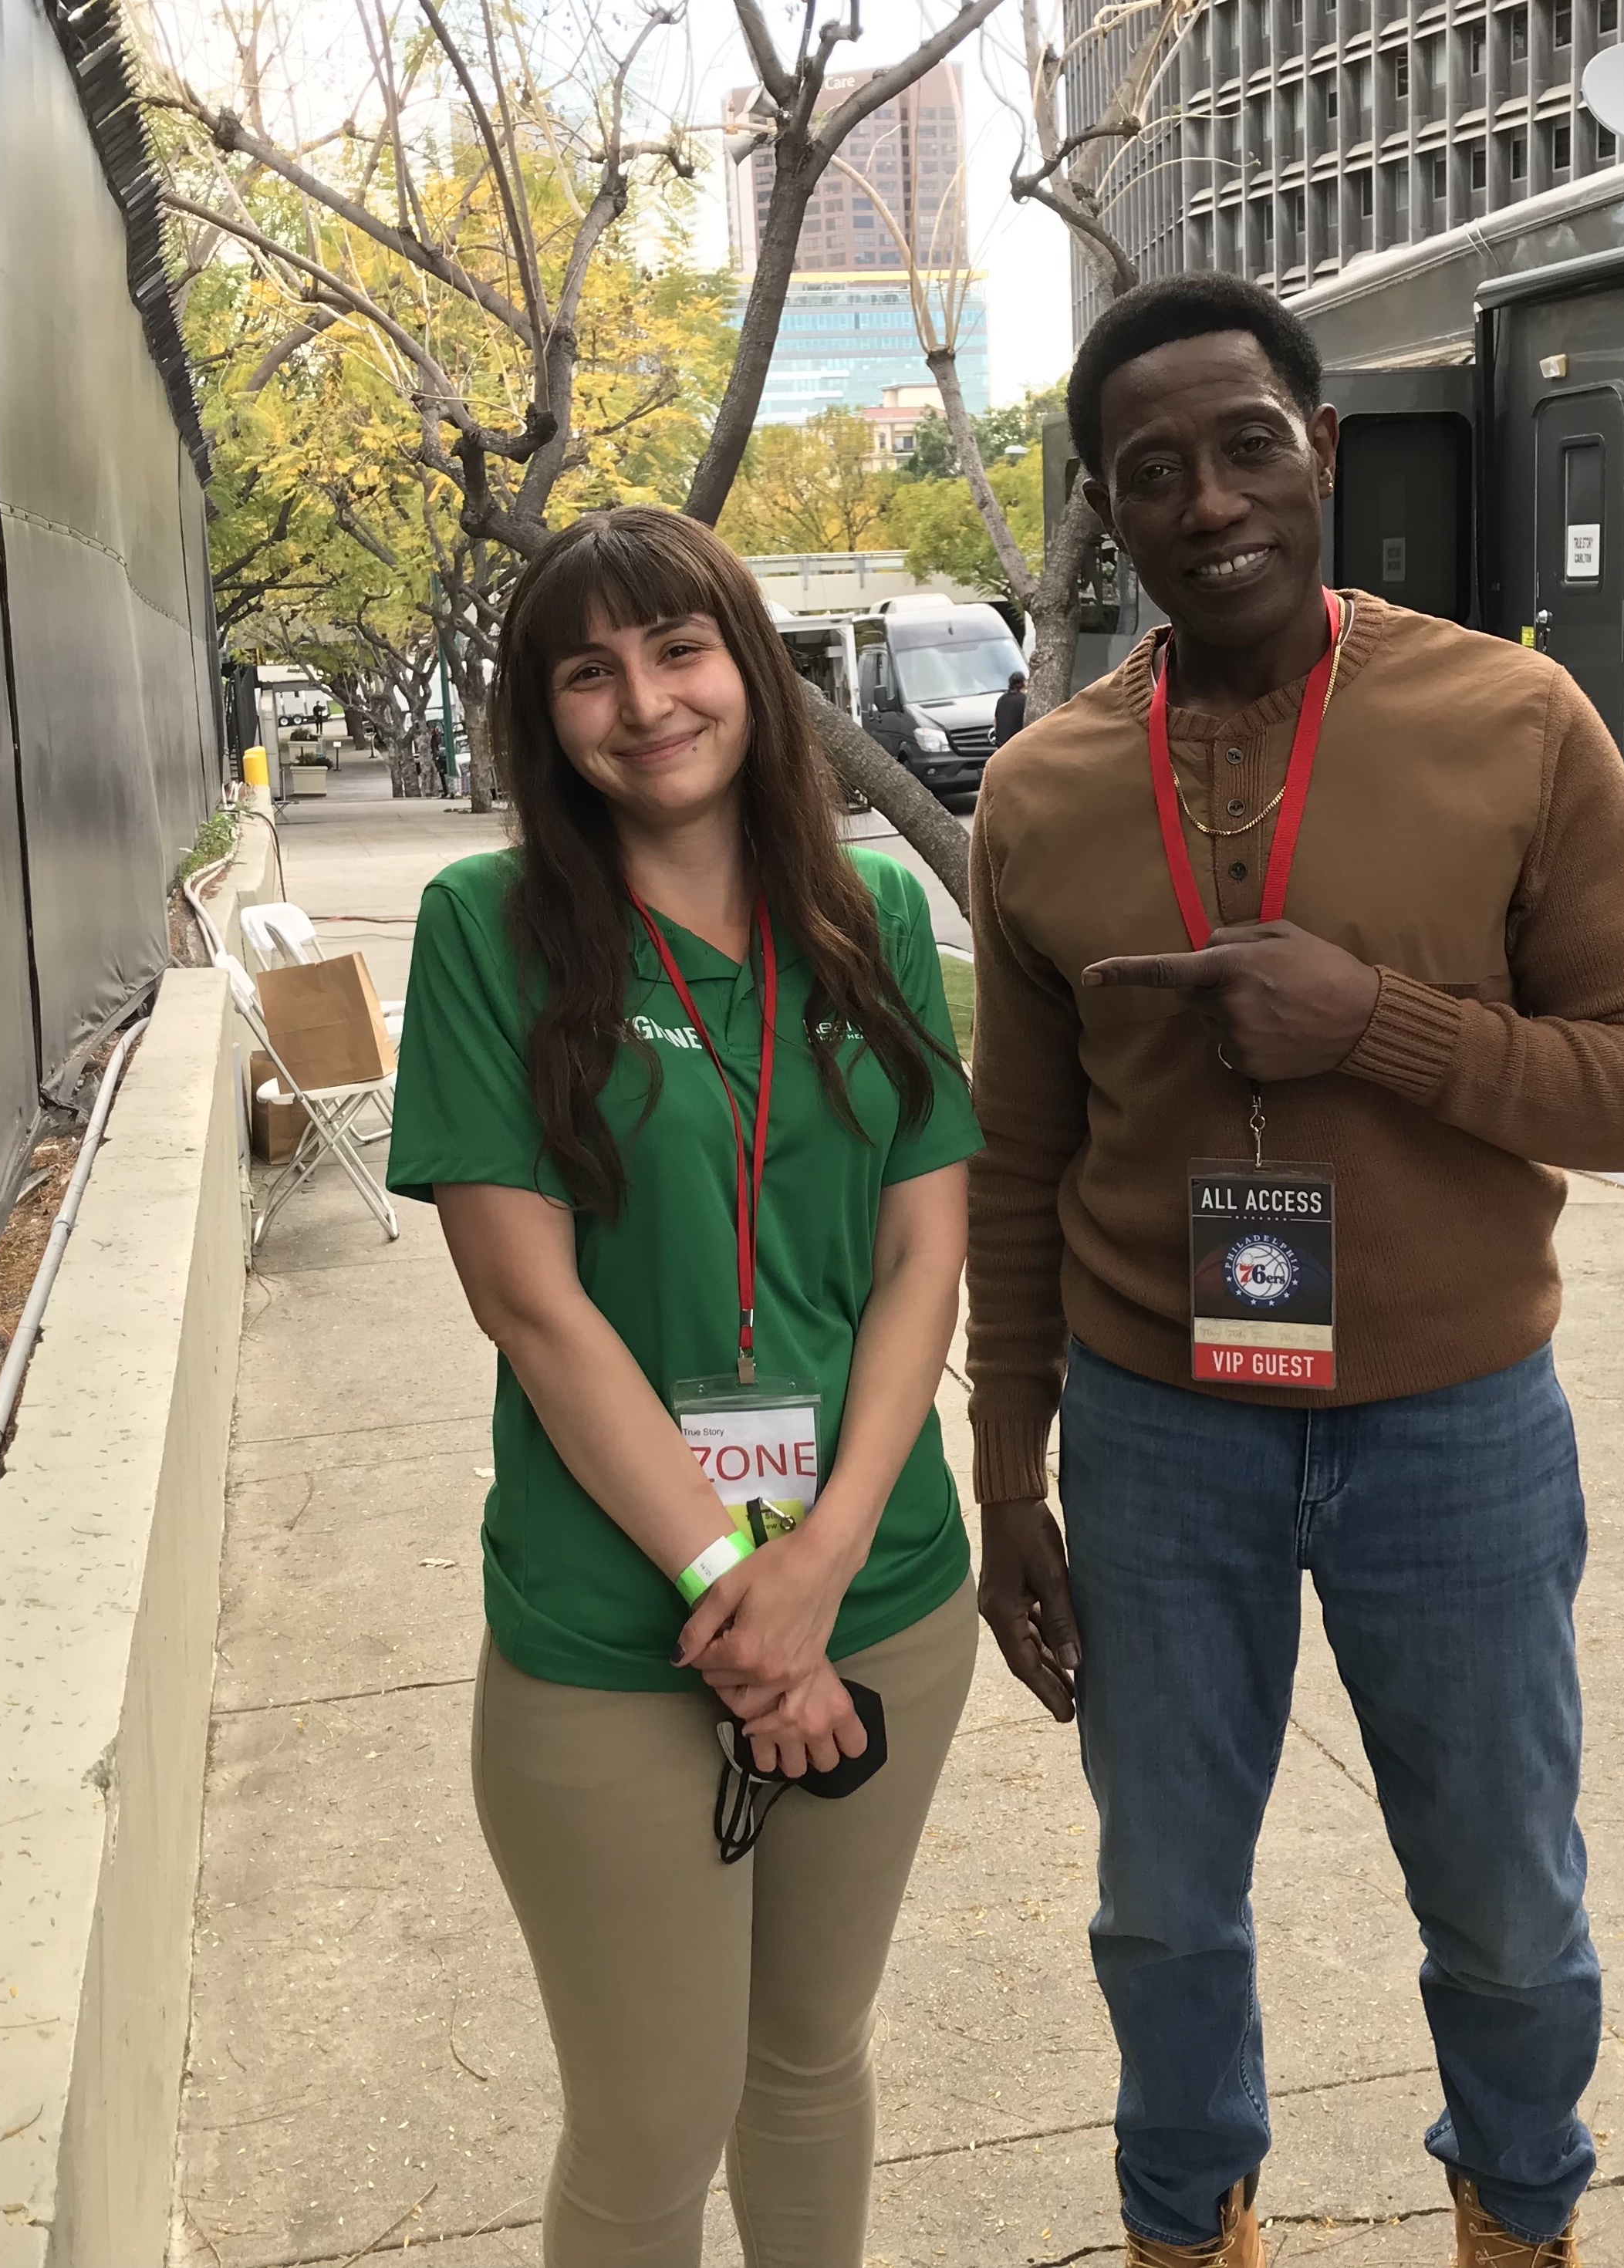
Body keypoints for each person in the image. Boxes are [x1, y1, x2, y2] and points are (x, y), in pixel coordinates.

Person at [964, 274, 1624, 2268]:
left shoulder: (1509, 721)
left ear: (1320, 449)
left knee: (1503, 1904)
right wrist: (1003, 1468)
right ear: (1104, 511)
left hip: (1452, 1430)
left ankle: (1517, 2218)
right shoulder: (1038, 792)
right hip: (1155, 1434)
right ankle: (1183, 2222)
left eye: (1243, 445)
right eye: (1149, 471)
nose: (1207, 499)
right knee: (1158, 1905)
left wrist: (1371, 1024)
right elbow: (1018, 1162)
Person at [386, 503, 981, 2268]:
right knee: (651, 2121)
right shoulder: (487, 930)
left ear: (749, 670)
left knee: (807, 2061)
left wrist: (820, 1564)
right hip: (612, 1630)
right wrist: (736, 1592)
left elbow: (919, 1258)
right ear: (541, 714)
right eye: (588, 672)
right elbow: (531, 1308)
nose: (643, 704)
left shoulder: (871, 913)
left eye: (677, 650)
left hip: (878, 1598)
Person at [994, 667, 1029, 747]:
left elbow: (995, 721)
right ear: (1023, 683)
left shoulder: (1002, 699)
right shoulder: (1024, 700)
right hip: (1016, 744)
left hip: (1001, 745)